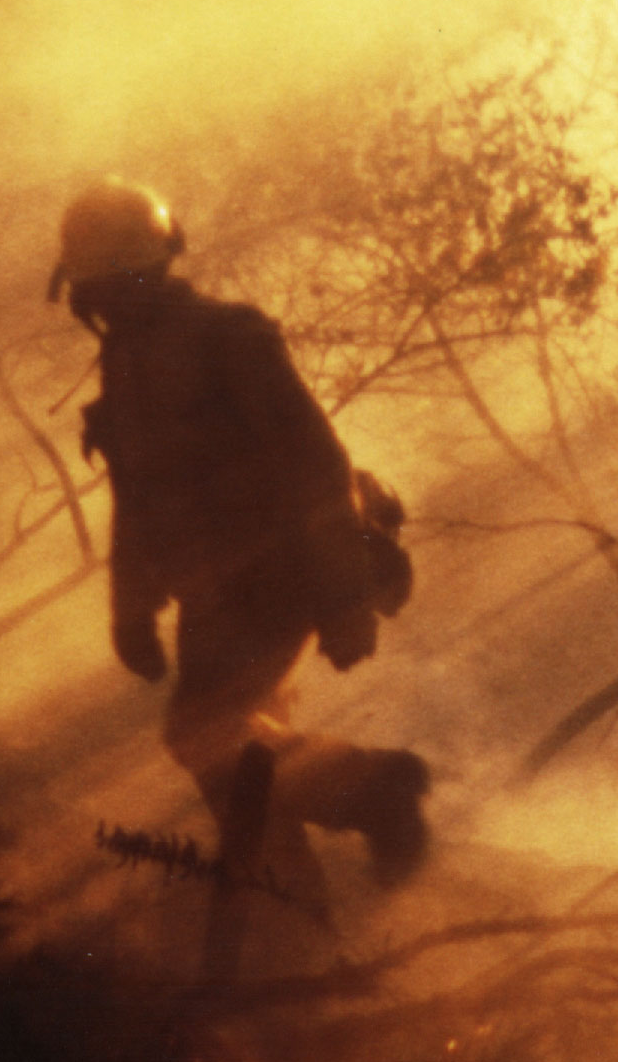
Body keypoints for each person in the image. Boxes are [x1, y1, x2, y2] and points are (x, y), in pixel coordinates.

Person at [53, 180, 428, 956]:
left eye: (104, 285)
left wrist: (344, 599)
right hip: (211, 594)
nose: (98, 303)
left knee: (205, 735)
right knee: (237, 765)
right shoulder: (127, 362)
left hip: (280, 577)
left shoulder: (230, 338)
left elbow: (319, 466)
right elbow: (138, 494)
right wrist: (131, 607)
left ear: (141, 274)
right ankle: (299, 932)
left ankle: (374, 792)